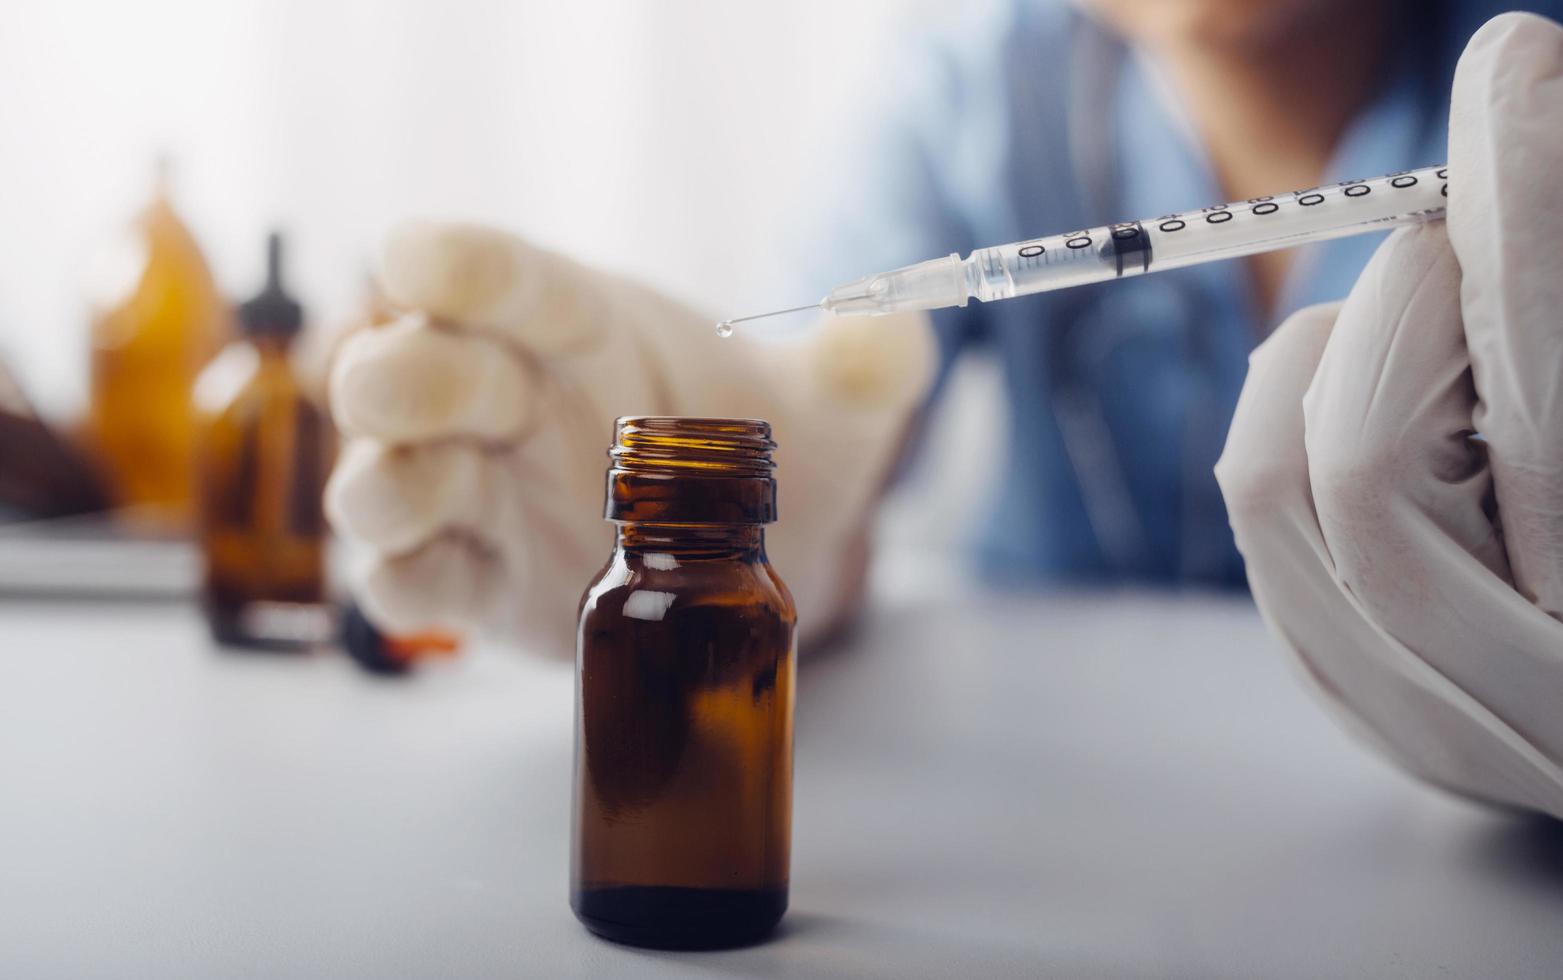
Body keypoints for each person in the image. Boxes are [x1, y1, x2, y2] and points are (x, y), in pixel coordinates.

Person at [325, 5, 1563, 816]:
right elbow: (839, 438)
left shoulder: (1532, 92)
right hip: (1059, 813)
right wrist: (769, 484)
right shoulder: (979, 75)